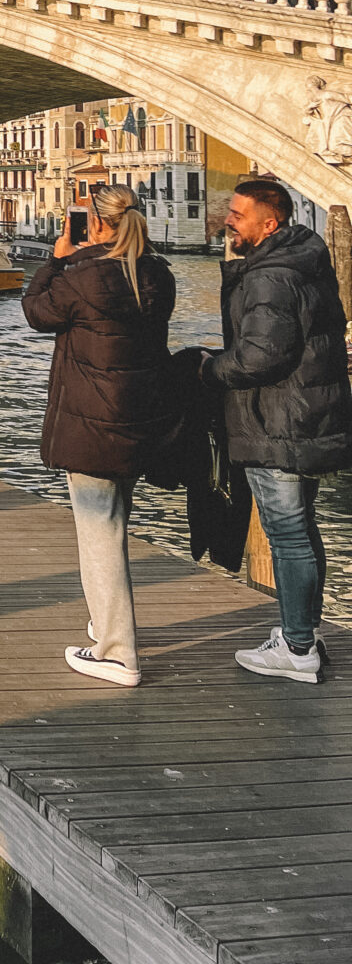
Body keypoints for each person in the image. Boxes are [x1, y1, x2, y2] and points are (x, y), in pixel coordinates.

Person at [23, 186, 177, 688]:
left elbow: (36, 311)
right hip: (138, 420)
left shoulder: (83, 277)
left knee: (100, 536)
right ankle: (106, 623)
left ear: (96, 224)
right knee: (115, 523)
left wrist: (57, 260)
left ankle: (116, 653)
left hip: (91, 423)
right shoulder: (158, 276)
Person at [201, 178, 352, 683]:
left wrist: (209, 369)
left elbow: (261, 356)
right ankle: (303, 631)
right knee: (303, 531)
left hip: (277, 420)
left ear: (270, 223)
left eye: (239, 215)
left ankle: (296, 647)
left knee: (288, 535)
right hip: (305, 416)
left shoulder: (270, 275)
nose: (229, 219)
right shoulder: (306, 259)